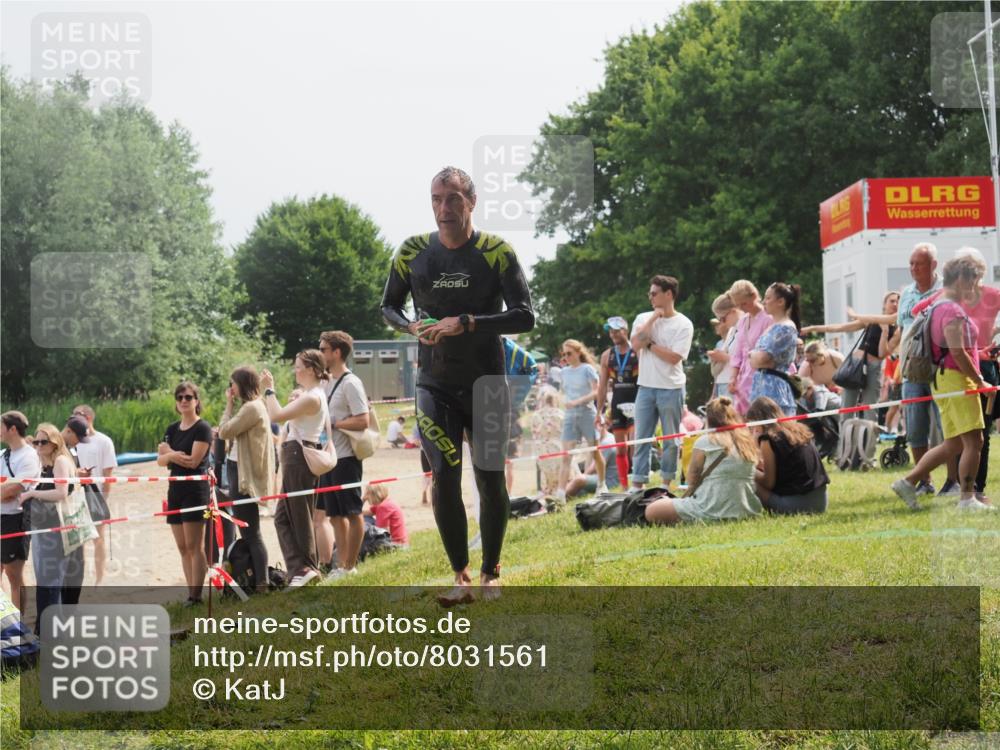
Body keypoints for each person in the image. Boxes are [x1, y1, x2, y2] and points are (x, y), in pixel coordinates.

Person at [380, 165, 534, 605]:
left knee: (489, 481)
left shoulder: (496, 251)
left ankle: (491, 573)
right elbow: (388, 306)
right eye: (435, 199)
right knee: (445, 478)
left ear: (471, 202)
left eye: (452, 199)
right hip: (435, 385)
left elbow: (525, 315)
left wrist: (466, 322)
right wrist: (411, 327)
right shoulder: (412, 252)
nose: (443, 208)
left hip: (486, 382)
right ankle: (460, 576)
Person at [890, 255, 992, 512]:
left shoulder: (937, 306)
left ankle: (908, 481)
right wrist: (979, 380)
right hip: (958, 380)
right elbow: (957, 352)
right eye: (974, 281)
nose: (975, 287)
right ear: (962, 279)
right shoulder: (952, 309)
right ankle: (967, 499)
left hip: (943, 380)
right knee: (974, 441)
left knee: (954, 443)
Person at [851, 243, 944, 494]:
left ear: (933, 265)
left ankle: (954, 481)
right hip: (912, 371)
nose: (913, 268)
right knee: (915, 428)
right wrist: (894, 358)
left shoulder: (945, 291)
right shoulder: (907, 294)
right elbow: (902, 330)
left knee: (948, 427)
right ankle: (925, 482)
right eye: (911, 263)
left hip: (942, 368)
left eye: (919, 263)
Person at [262, 350, 330, 588]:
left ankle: (308, 567)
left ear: (311, 369)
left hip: (298, 456)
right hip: (296, 454)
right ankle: (299, 568)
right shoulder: (312, 394)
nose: (295, 370)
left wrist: (269, 389)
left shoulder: (313, 396)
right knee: (282, 517)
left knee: (300, 515)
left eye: (298, 366)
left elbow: (276, 415)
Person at [644, 397, 762, 525]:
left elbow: (691, 479)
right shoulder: (746, 441)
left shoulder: (705, 441)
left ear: (708, 419)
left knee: (652, 510)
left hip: (710, 508)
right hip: (747, 510)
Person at [630, 275, 694, 490]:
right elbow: (635, 344)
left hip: (672, 388)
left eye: (654, 293)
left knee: (671, 439)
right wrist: (653, 319)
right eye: (649, 293)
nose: (650, 297)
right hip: (645, 387)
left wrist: (651, 345)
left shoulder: (684, 324)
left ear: (669, 294)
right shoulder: (642, 318)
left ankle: (666, 483)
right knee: (641, 439)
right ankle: (637, 483)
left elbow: (674, 357)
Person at [217, 366, 276, 594]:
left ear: (241, 384)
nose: (230, 389)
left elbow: (223, 431)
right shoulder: (252, 406)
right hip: (238, 472)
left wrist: (228, 405)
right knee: (248, 531)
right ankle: (256, 579)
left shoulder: (251, 408)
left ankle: (262, 582)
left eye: (232, 384)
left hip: (242, 476)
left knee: (251, 532)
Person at [318, 330, 372, 577]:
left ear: (336, 353)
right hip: (328, 458)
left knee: (352, 511)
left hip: (347, 456)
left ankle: (351, 565)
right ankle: (341, 565)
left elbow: (363, 420)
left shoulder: (351, 383)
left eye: (323, 349)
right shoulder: (325, 381)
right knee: (335, 515)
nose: (320, 353)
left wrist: (335, 423)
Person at [18, 424, 79, 636]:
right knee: (46, 581)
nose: (39, 445)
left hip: (56, 529)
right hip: (43, 528)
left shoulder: (61, 461)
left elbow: (61, 492)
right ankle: (48, 630)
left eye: (43, 441)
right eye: (36, 441)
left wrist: (33, 495)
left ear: (55, 442)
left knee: (50, 582)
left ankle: (48, 633)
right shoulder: (44, 463)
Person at [801, 291, 899, 421]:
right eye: (891, 301)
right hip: (855, 365)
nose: (895, 304)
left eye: (898, 301)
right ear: (884, 304)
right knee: (847, 409)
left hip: (873, 368)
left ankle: (868, 440)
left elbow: (882, 354)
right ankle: (845, 440)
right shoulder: (871, 321)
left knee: (870, 409)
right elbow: (840, 327)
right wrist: (811, 328)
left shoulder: (898, 329)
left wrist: (885, 332)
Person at [157, 382, 212, 605]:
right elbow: (160, 460)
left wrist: (168, 453)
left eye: (188, 397)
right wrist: (171, 455)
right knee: (182, 547)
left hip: (195, 490)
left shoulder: (203, 428)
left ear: (196, 401)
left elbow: (193, 462)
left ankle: (196, 595)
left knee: (194, 546)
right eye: (179, 397)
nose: (183, 401)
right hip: (175, 489)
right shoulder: (171, 429)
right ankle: (191, 593)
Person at [747, 397, 829, 515]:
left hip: (795, 505)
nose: (752, 430)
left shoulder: (768, 439)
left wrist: (749, 470)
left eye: (753, 426)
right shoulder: (799, 430)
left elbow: (768, 482)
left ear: (759, 422)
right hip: (821, 502)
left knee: (747, 480)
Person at [70, 405, 117, 584]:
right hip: (73, 495)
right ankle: (78, 580)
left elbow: (108, 476)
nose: (73, 419)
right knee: (77, 541)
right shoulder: (71, 442)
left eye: (77, 416)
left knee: (98, 538)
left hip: (94, 494)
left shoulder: (103, 441)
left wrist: (104, 499)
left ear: (88, 418)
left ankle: (99, 579)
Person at [0, 412, 40, 612]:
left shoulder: (29, 456)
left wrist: (5, 491)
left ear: (12, 429)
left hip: (16, 518)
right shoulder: (3, 454)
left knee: (13, 575)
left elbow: (11, 491)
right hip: (2, 516)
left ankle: (19, 626)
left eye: (1, 426)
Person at [557, 339, 606, 498]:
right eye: (564, 354)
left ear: (578, 352)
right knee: (566, 456)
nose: (566, 357)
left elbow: (596, 392)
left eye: (569, 353)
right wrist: (562, 401)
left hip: (587, 412)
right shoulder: (563, 372)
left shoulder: (587, 369)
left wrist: (577, 401)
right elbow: (564, 392)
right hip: (571, 415)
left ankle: (601, 484)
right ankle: (560, 495)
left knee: (595, 452)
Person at [596, 315, 639, 491]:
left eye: (616, 330)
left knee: (635, 444)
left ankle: (638, 482)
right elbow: (602, 386)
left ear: (625, 330)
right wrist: (599, 411)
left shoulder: (637, 350)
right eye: (610, 331)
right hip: (618, 402)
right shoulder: (607, 355)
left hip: (636, 399)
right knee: (621, 449)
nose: (613, 334)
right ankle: (624, 487)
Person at [749, 282, 801, 417]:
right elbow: (757, 360)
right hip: (761, 388)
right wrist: (756, 358)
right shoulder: (772, 327)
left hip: (775, 392)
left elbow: (761, 358)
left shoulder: (785, 328)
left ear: (780, 302)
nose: (763, 301)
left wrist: (754, 356)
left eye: (767, 298)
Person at [60, 416, 94, 604]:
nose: (78, 443)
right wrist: (76, 475)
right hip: (61, 515)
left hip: (76, 511)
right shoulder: (54, 449)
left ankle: (71, 608)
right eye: (78, 438)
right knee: (65, 567)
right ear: (69, 431)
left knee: (77, 565)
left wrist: (78, 474)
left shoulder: (69, 449)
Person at [728, 280, 774, 414]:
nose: (741, 307)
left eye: (744, 303)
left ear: (754, 296)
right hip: (744, 379)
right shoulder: (742, 320)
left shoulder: (768, 318)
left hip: (762, 377)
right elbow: (738, 352)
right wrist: (733, 377)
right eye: (738, 305)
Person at [565, 428, 621, 498]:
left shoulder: (606, 443)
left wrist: (581, 477)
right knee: (578, 488)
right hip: (606, 477)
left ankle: (558, 499)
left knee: (579, 480)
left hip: (609, 481)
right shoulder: (608, 437)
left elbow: (593, 468)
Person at [531, 390, 565, 496]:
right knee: (559, 471)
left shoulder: (536, 415)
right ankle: (557, 492)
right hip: (556, 446)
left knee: (546, 473)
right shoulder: (560, 413)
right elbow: (565, 431)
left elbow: (534, 432)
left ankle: (548, 491)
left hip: (540, 447)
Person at [707, 294, 741, 399]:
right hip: (725, 383)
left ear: (733, 311)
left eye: (722, 319)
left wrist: (725, 358)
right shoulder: (732, 331)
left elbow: (749, 360)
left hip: (738, 384)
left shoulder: (745, 329)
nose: (722, 323)